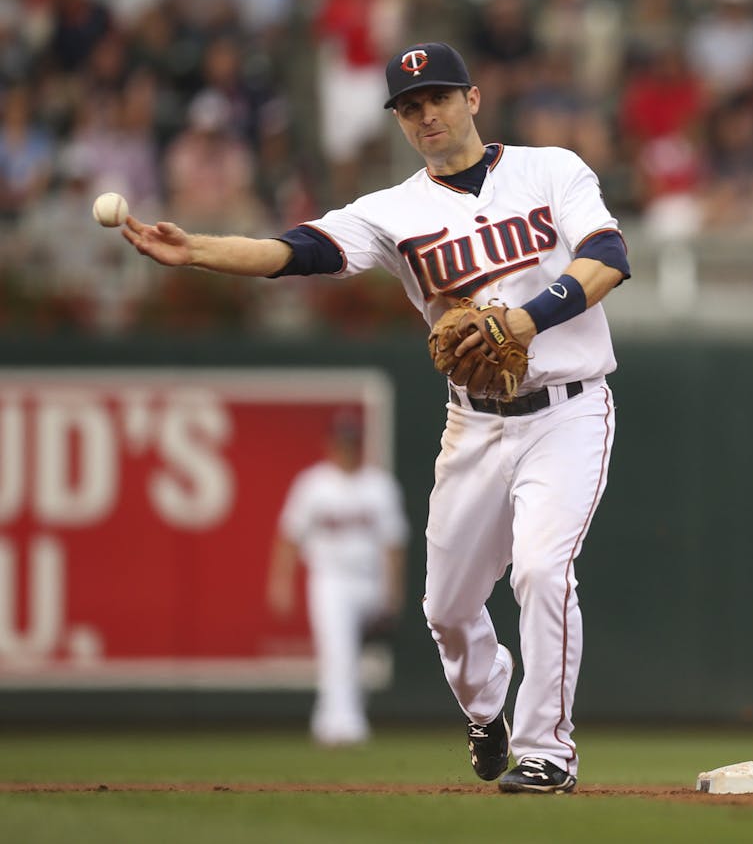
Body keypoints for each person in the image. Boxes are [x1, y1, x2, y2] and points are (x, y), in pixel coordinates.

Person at [121, 40, 630, 794]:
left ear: (474, 99)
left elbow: (610, 254)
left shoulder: (551, 169)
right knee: (447, 609)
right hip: (476, 423)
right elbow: (292, 251)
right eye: (410, 106)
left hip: (568, 410)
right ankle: (485, 709)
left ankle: (547, 749)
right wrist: (196, 247)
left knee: (542, 569)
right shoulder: (392, 212)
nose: (427, 114)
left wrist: (524, 321)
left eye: (439, 98)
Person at [267, 410, 408, 747]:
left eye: (352, 441)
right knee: (338, 649)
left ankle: (329, 717)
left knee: (356, 656)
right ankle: (346, 724)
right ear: (329, 444)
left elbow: (394, 543)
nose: (347, 447)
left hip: (369, 581)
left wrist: (394, 591)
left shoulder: (379, 485)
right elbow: (289, 536)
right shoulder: (314, 484)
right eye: (342, 440)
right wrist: (280, 582)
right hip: (329, 579)